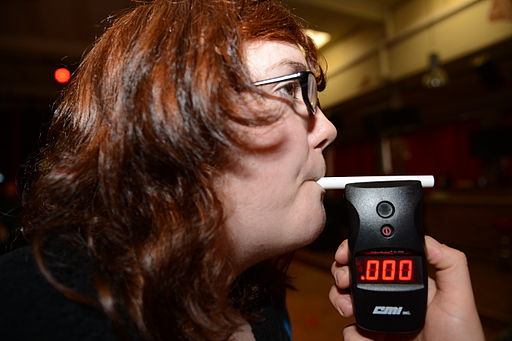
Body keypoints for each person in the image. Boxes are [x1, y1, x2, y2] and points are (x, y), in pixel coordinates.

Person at [0, 0, 484, 340]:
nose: (329, 128)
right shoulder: (26, 308)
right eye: (291, 89)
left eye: (317, 94)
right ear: (170, 123)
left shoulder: (258, 299)